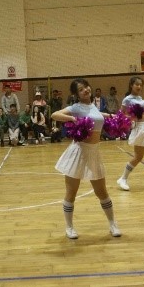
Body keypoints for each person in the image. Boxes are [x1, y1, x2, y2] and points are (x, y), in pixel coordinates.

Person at [51, 78, 121, 239]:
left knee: (102, 192)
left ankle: (113, 224)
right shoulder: (75, 107)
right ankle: (69, 227)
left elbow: (96, 116)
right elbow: (55, 115)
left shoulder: (93, 106)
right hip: (79, 152)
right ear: (77, 94)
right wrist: (72, 118)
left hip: (94, 153)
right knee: (71, 192)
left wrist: (111, 116)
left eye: (86, 87)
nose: (86, 90)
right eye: (81, 89)